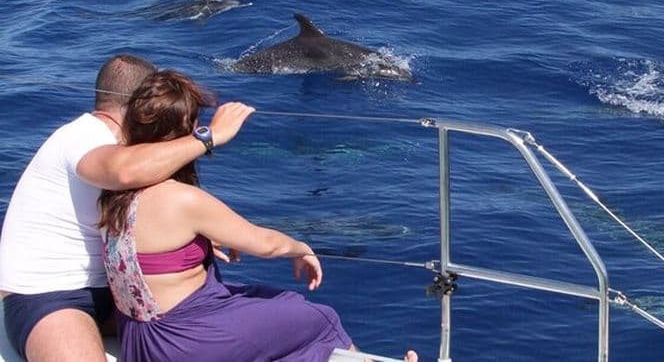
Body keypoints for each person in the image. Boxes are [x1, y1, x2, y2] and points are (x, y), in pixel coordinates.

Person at [98, 70, 418, 362]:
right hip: (181, 341)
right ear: (186, 132)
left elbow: (151, 248)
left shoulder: (111, 194)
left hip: (139, 338)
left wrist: (202, 242)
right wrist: (302, 248)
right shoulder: (182, 200)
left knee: (264, 299)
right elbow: (267, 244)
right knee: (320, 318)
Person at [0, 54, 254, 362]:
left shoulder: (124, 149)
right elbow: (124, 173)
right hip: (48, 295)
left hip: (117, 289)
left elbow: (136, 211)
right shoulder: (84, 136)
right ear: (138, 103)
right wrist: (209, 136)